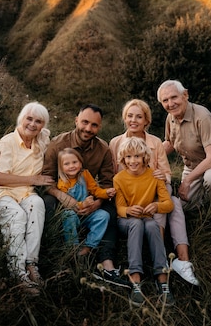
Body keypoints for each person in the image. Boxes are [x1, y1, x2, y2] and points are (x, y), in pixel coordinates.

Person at [109, 99, 200, 286]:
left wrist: (162, 175)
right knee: (169, 201)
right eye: (130, 116)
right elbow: (113, 174)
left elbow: (167, 173)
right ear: (124, 118)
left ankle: (182, 260)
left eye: (139, 117)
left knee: (171, 200)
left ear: (146, 121)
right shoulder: (116, 143)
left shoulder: (155, 142)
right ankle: (155, 250)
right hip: (128, 194)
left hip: (154, 191)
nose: (134, 120)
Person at [41, 104, 130, 288]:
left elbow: (107, 183)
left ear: (99, 127)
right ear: (76, 120)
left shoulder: (103, 149)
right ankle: (59, 257)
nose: (88, 129)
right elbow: (45, 179)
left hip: (89, 199)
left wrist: (96, 204)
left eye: (94, 125)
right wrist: (61, 196)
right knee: (46, 203)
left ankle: (106, 263)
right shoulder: (58, 144)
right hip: (61, 197)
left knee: (110, 211)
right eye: (85, 122)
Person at [0, 101, 55, 296]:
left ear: (43, 125)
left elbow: (58, 148)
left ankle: (31, 264)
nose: (33, 124)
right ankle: (17, 273)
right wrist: (33, 179)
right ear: (22, 118)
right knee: (17, 215)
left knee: (37, 204)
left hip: (24, 193)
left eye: (38, 121)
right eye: (29, 119)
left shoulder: (41, 142)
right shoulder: (8, 141)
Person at [157, 80, 211, 242]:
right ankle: (203, 206)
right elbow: (170, 143)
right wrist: (147, 158)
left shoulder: (202, 116)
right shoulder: (170, 118)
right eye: (165, 100)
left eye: (174, 97)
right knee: (183, 207)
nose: (170, 104)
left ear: (185, 95)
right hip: (193, 165)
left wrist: (187, 180)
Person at [114, 136, 175, 307]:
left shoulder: (154, 176)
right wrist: (128, 210)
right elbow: (119, 208)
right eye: (128, 157)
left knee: (152, 224)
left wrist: (156, 206)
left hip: (146, 219)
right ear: (123, 159)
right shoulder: (119, 178)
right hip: (126, 222)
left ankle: (162, 279)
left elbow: (168, 204)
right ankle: (135, 279)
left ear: (144, 158)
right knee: (136, 223)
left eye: (137, 156)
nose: (132, 161)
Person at [56, 148, 116, 257]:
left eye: (75, 162)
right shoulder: (62, 183)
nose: (71, 166)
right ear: (61, 168)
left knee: (103, 215)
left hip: (88, 213)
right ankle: (73, 247)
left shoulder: (85, 174)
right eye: (67, 164)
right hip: (73, 214)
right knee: (67, 215)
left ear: (80, 162)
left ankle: (89, 246)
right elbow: (65, 203)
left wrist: (106, 193)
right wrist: (83, 204)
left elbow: (95, 190)